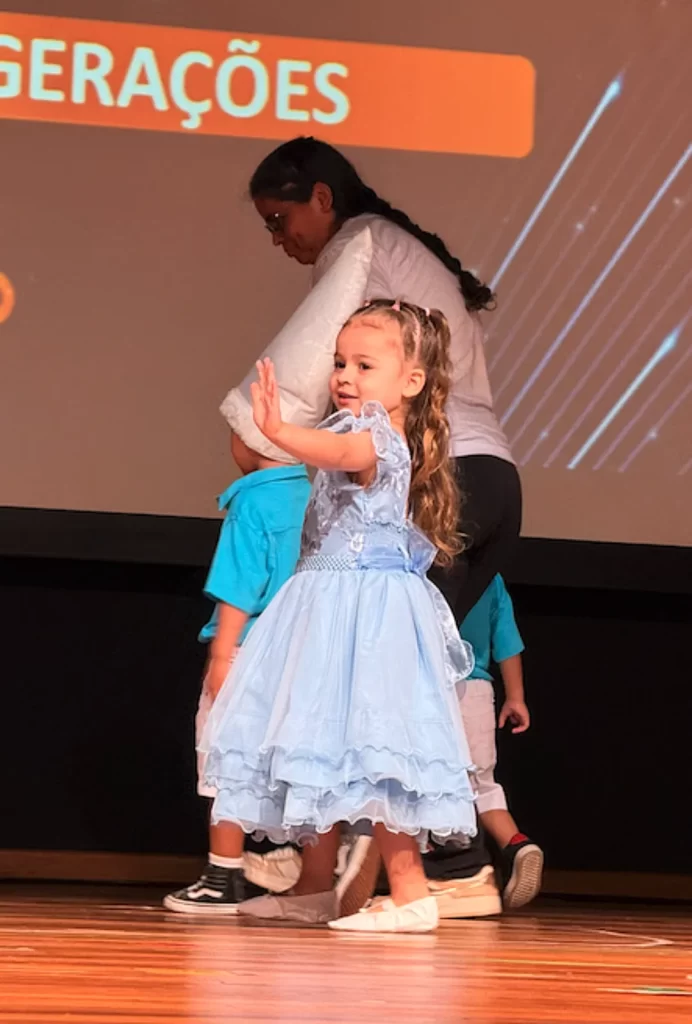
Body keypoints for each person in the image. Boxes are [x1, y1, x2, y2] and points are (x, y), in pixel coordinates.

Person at [247, 136, 520, 910]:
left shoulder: (361, 252)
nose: (279, 239)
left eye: (281, 219)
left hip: (428, 521)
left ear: (321, 198)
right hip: (476, 486)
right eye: (342, 363)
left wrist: (270, 427)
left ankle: (425, 884)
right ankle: (328, 884)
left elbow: (329, 424)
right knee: (343, 722)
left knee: (380, 723)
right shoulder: (395, 261)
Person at [200, 299, 477, 933]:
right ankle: (315, 886)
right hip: (325, 610)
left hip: (367, 616)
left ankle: (410, 893)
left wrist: (280, 431)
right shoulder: (352, 428)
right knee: (316, 743)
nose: (345, 376)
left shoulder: (378, 437)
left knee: (377, 751)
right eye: (339, 362)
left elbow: (336, 451)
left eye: (364, 365)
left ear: (411, 381)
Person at [165, 224, 377, 915]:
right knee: (305, 764)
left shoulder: (253, 499)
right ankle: (317, 877)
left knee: (226, 755)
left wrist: (223, 654)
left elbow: (239, 582)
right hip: (306, 651)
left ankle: (224, 870)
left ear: (253, 439)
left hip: (253, 650)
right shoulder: (316, 488)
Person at [457, 574, 544, 909]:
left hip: (433, 687)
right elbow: (507, 642)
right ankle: (517, 842)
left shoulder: (423, 568)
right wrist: (516, 698)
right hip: (478, 690)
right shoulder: (491, 581)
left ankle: (453, 871)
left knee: (433, 785)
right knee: (483, 785)